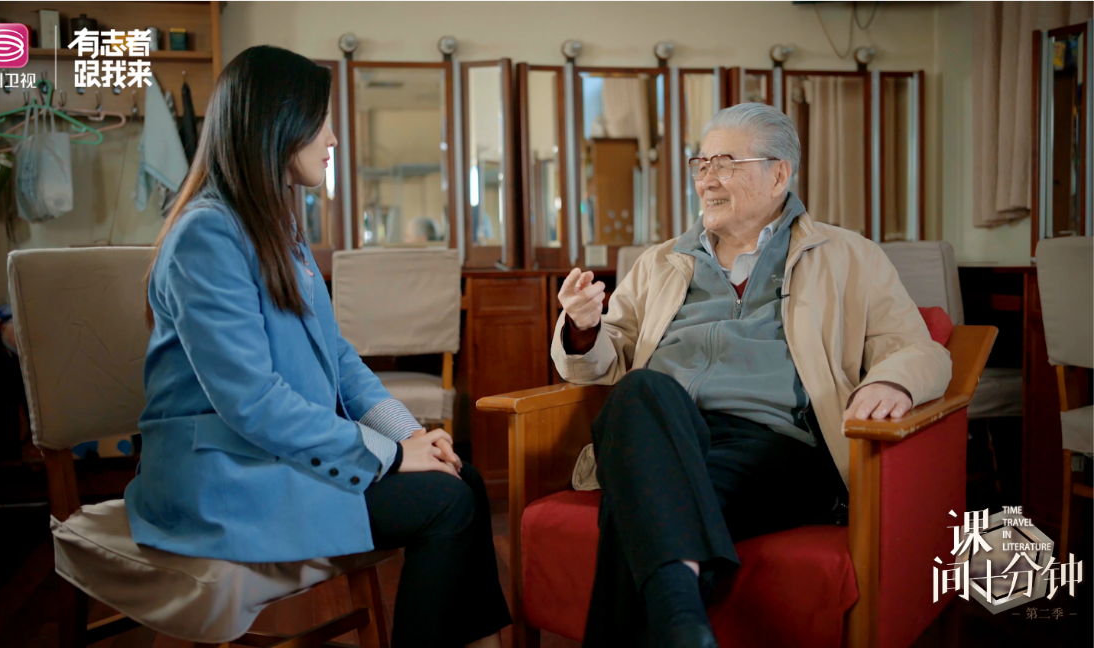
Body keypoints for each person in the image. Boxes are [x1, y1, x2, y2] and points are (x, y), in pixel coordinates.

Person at [125, 45, 510, 648]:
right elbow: (252, 401)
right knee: (447, 504)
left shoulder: (279, 228)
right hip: (221, 477)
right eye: (320, 121)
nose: (332, 138)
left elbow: (338, 356)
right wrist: (390, 455)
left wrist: (410, 434)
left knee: (465, 479)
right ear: (274, 125)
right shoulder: (207, 234)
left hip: (268, 458)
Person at [552, 103, 951, 648]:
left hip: (777, 446)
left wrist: (891, 382)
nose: (706, 180)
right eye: (700, 164)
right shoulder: (661, 262)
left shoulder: (848, 256)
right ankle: (683, 627)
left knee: (639, 502)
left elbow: (919, 349)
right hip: (667, 431)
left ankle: (679, 619)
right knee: (641, 389)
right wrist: (582, 328)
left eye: (724, 163)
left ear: (778, 174)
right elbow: (607, 357)